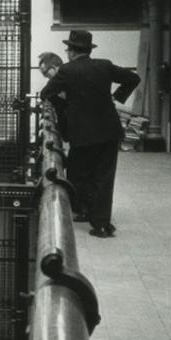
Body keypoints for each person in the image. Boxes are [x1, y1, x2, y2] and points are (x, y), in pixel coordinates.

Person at [44, 28, 140, 238]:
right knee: (104, 176)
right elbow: (134, 78)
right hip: (108, 131)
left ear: (70, 51)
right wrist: (116, 97)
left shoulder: (67, 71)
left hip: (82, 134)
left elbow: (47, 94)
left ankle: (84, 210)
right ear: (88, 50)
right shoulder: (104, 65)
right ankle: (101, 224)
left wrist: (66, 107)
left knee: (79, 173)